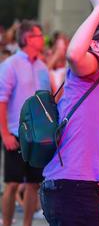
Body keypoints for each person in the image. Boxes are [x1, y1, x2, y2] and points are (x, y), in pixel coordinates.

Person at [40, 0, 99, 225]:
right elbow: (74, 54)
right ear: (95, 45)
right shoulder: (92, 70)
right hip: (71, 189)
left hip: (80, 188)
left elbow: (87, 158)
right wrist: (98, 8)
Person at [0, 20, 50, 226]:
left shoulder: (42, 67)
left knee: (33, 184)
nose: (43, 39)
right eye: (39, 35)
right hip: (15, 132)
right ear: (28, 38)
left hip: (38, 137)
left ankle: (27, 224)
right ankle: (7, 222)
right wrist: (4, 133)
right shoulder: (10, 64)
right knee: (12, 184)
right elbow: (1, 99)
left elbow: (48, 99)